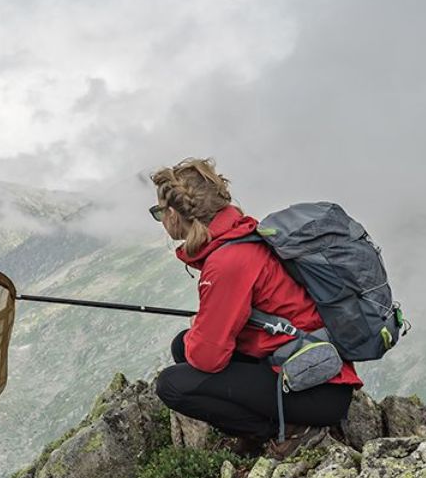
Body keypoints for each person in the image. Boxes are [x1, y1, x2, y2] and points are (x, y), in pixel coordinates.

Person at [149, 158, 359, 457]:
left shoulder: (227, 262)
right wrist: (203, 330)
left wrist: (203, 331)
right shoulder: (241, 235)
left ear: (173, 214)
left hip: (314, 387)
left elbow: (209, 358)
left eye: (159, 212)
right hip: (309, 366)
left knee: (172, 385)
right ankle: (274, 420)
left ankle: (284, 431)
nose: (161, 219)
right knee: (182, 346)